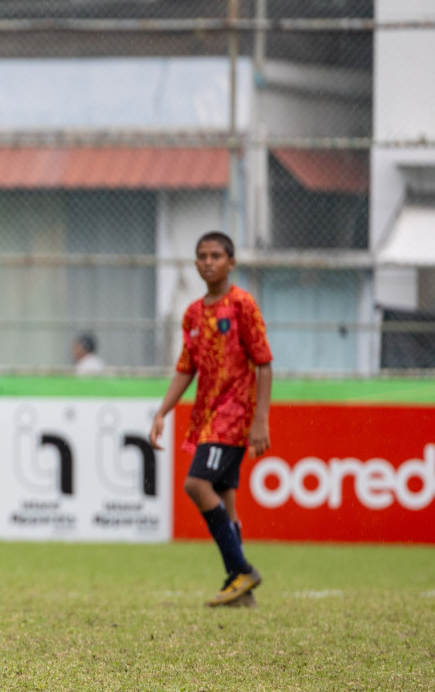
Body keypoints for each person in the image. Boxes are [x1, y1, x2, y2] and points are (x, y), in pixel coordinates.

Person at [149, 230, 273, 608]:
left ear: (231, 263)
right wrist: (162, 411)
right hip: (206, 418)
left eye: (216, 255)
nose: (208, 262)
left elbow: (264, 363)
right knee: (225, 500)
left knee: (195, 484)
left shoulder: (242, 305)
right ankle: (242, 593)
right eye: (202, 255)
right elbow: (186, 369)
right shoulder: (193, 313)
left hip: (233, 417)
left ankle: (241, 569)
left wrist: (260, 420)